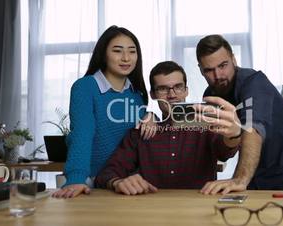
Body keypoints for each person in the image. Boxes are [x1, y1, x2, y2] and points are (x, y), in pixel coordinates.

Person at [95, 61, 241, 195]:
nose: (172, 95)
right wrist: (119, 182)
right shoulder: (141, 131)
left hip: (198, 210)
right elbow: (106, 174)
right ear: (153, 94)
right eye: (163, 89)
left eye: (178, 87)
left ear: (186, 91)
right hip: (152, 213)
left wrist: (234, 135)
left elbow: (225, 152)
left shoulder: (206, 125)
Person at [195, 34, 283, 194]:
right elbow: (223, 145)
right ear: (201, 70)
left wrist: (240, 179)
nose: (218, 75)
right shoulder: (211, 95)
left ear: (233, 60)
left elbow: (253, 129)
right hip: (255, 171)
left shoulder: (254, 82)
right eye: (209, 70)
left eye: (223, 65)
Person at [52, 26, 155, 198]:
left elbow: (138, 135)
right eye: (117, 51)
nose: (126, 58)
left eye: (132, 51)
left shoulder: (138, 95)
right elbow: (82, 135)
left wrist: (152, 117)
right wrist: (77, 178)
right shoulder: (85, 87)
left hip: (128, 184)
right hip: (93, 182)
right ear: (103, 53)